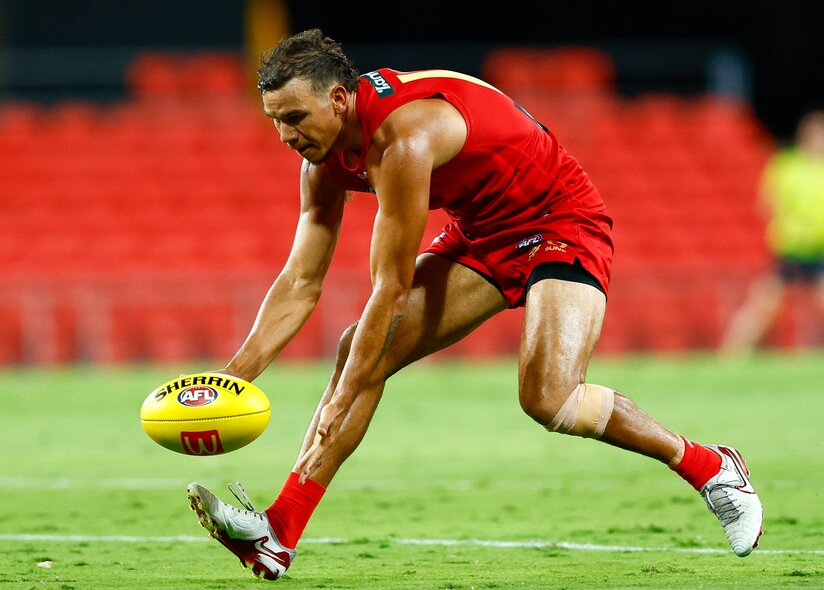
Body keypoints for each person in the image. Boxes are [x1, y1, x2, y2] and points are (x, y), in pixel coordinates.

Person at [185, 29, 763, 580]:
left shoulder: (403, 138)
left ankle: (709, 467)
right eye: (275, 122)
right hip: (482, 233)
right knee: (357, 351)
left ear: (338, 99)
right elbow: (300, 281)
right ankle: (279, 534)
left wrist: (341, 399)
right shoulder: (322, 160)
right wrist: (228, 382)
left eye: (294, 118)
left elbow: (387, 289)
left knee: (548, 397)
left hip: (560, 219)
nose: (285, 136)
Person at [720, 109, 824, 354]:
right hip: (791, 252)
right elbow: (767, 203)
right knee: (763, 307)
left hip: (823, 251)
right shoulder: (788, 166)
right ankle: (730, 355)